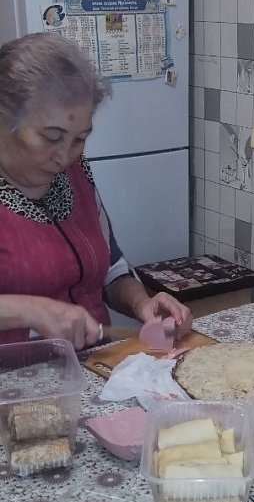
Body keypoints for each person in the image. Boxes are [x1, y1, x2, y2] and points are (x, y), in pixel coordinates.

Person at [0, 33, 192, 350]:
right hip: (16, 376)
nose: (65, 157)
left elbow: (111, 269)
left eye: (80, 139)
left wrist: (142, 303)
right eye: (51, 137)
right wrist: (31, 310)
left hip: (93, 365)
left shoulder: (75, 173)